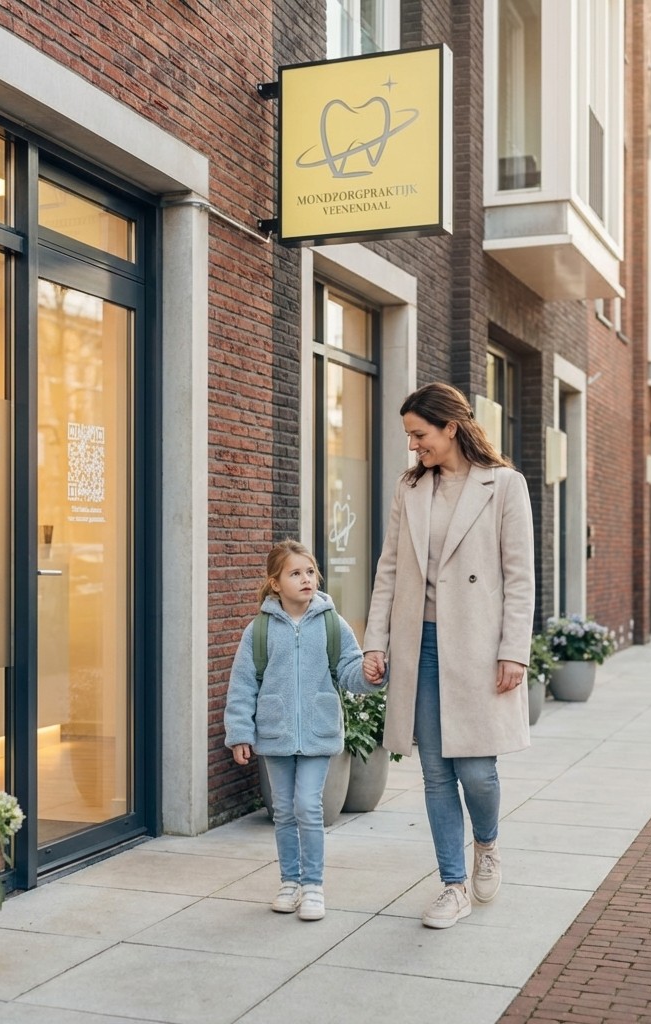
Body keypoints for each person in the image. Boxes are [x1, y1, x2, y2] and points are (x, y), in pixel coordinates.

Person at [362, 382, 535, 929]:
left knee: (478, 773)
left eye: (420, 435)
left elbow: (520, 578)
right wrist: (375, 640)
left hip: (480, 647)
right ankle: (452, 885)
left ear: (450, 428)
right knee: (437, 775)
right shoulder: (410, 488)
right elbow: (389, 569)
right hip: (422, 645)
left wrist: (514, 650)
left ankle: (486, 843)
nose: (414, 446)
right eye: (410, 437)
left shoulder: (505, 485)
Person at [225, 539, 380, 922]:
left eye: (310, 572)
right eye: (295, 573)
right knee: (283, 812)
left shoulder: (331, 623)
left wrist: (369, 675)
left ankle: (313, 886)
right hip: (276, 735)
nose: (306, 579)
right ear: (275, 583)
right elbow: (243, 684)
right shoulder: (258, 630)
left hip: (317, 731)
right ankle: (289, 882)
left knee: (309, 808)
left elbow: (348, 670)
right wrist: (240, 732)